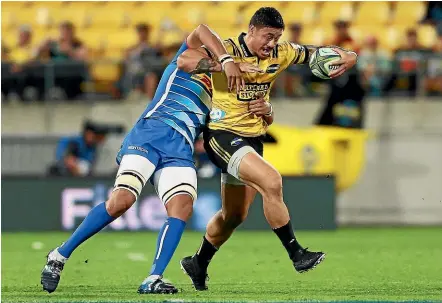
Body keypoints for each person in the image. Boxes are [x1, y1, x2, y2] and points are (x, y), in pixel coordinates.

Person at [40, 24, 257, 295]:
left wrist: (263, 109)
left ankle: (153, 277)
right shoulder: (192, 57)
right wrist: (224, 60)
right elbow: (201, 31)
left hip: (180, 148)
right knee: (121, 201)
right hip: (149, 135)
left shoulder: (225, 91)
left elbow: (236, 122)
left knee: (182, 207)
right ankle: (58, 256)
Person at [176, 7, 358, 291]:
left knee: (234, 215)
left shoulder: (280, 54)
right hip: (222, 136)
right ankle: (296, 253)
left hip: (252, 139)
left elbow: (313, 53)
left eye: (276, 37)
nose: (271, 43)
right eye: (267, 36)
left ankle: (198, 262)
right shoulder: (227, 49)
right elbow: (184, 60)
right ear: (251, 31)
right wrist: (224, 64)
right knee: (272, 181)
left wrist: (350, 56)